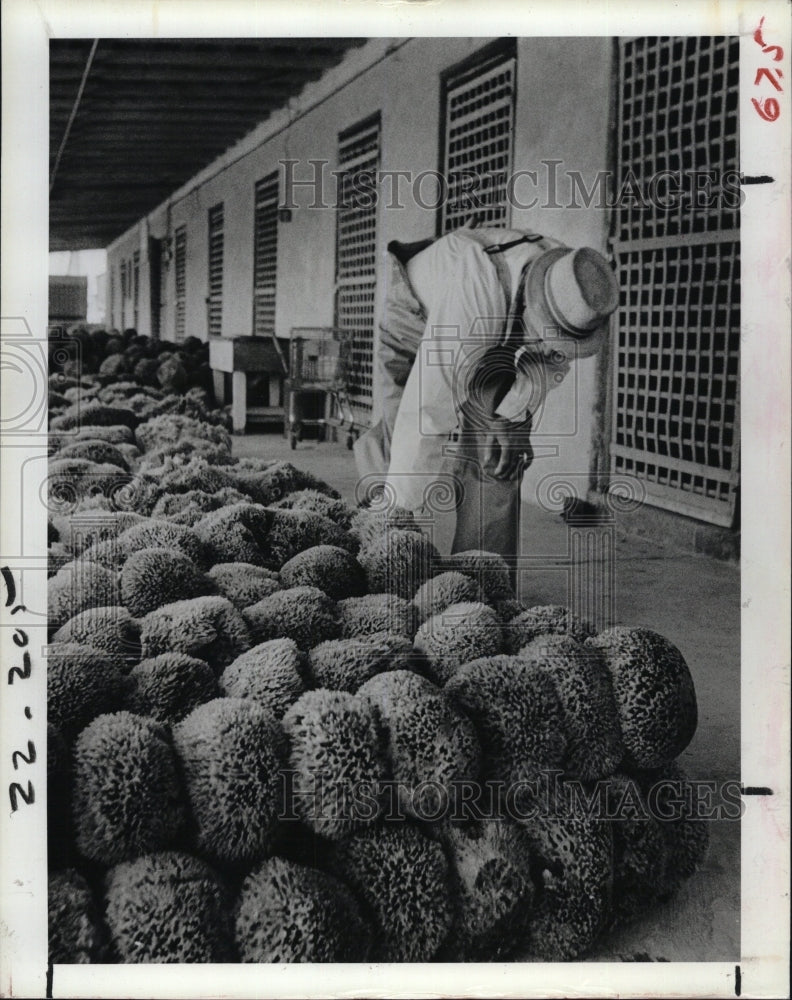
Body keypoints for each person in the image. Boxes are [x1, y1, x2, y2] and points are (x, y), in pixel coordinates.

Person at [353, 224, 619, 566]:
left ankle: (480, 579)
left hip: (501, 323)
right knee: (398, 445)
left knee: (500, 457)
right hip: (414, 310)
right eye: (545, 337)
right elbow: (427, 413)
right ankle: (382, 549)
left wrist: (514, 418)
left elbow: (548, 362)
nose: (552, 348)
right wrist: (397, 515)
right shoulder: (476, 297)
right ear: (533, 307)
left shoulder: (575, 289)